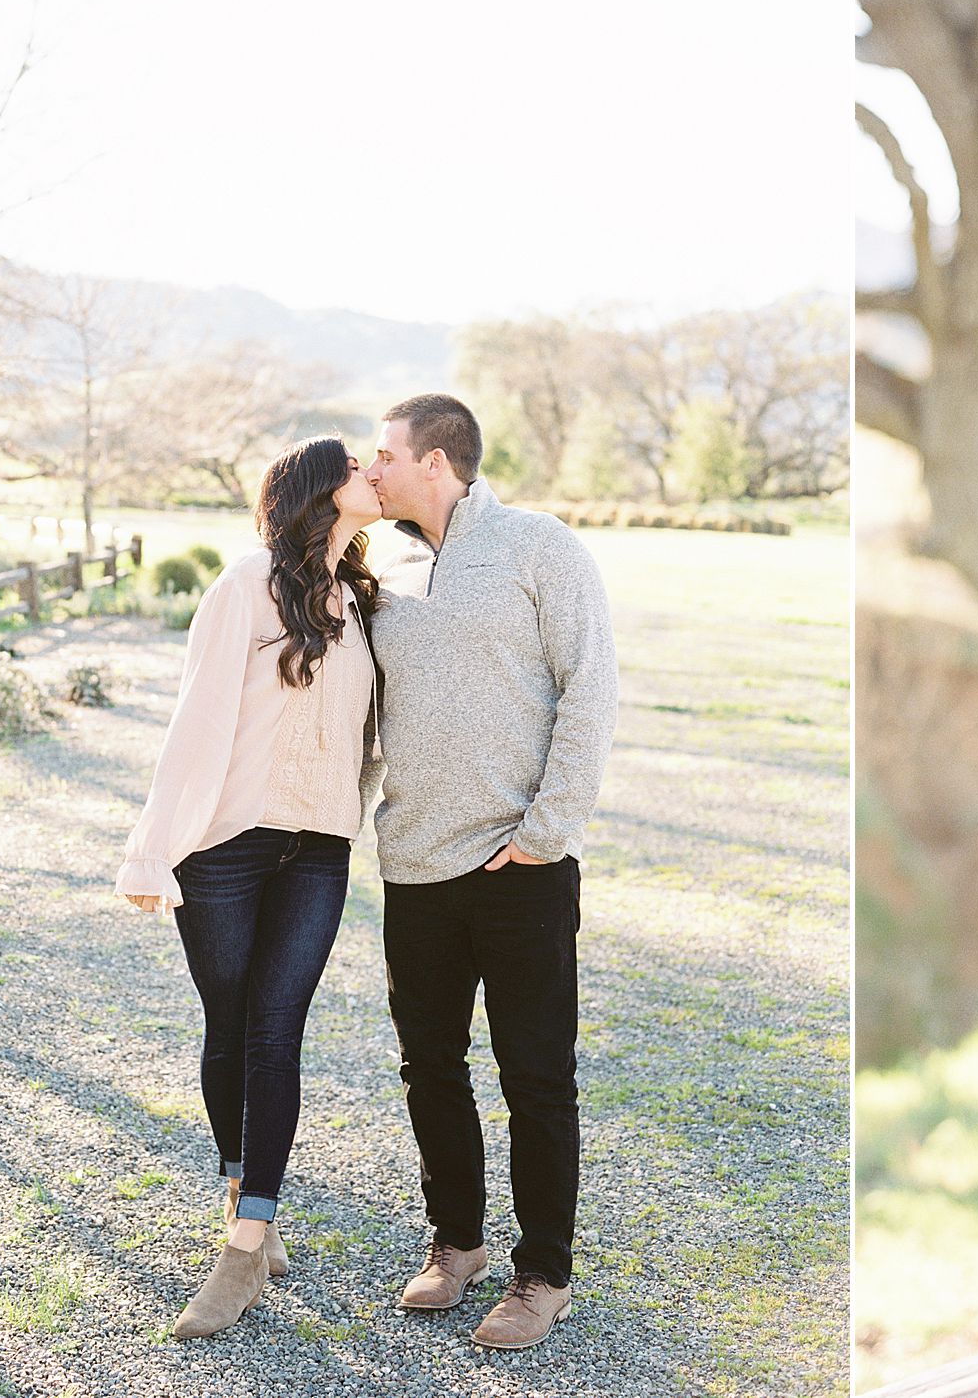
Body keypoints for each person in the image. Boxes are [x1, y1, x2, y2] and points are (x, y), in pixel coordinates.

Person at [362, 393, 617, 1350]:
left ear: (435, 461)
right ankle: (457, 1244)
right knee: (429, 1066)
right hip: (416, 865)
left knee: (536, 1077)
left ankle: (543, 1273)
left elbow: (591, 687)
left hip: (521, 866)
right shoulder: (382, 569)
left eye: (385, 455)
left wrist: (548, 831)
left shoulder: (538, 546)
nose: (372, 470)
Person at [115, 434, 383, 1340]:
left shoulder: (360, 600)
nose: (370, 473)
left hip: (320, 849)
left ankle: (244, 1244)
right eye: (355, 466)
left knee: (276, 1031)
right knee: (229, 1025)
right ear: (319, 488)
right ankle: (242, 1192)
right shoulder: (245, 586)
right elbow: (197, 720)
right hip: (225, 849)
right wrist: (155, 848)